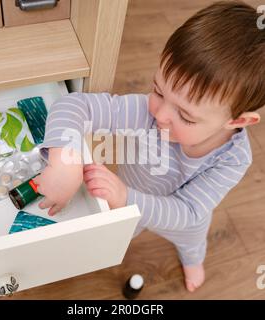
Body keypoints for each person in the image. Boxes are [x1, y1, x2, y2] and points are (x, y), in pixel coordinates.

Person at [34, 1, 265, 292]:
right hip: (130, 196)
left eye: (186, 116)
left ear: (238, 120)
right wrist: (63, 158)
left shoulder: (233, 160)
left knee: (192, 243)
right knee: (122, 232)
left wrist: (126, 197)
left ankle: (193, 261)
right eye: (158, 89)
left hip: (178, 219)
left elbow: (189, 212)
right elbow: (74, 105)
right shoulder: (146, 111)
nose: (161, 114)